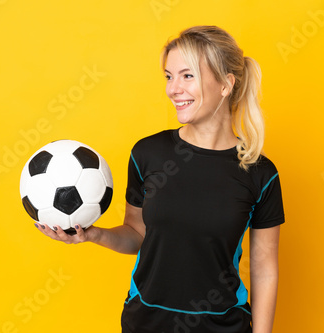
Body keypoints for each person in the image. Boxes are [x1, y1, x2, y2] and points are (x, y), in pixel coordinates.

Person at [35, 25, 285, 333]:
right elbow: (136, 234)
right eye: (169, 76)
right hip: (146, 322)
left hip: (223, 325)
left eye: (187, 75)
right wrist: (92, 235)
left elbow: (264, 269)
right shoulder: (148, 153)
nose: (173, 89)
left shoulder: (260, 173)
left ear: (225, 84)